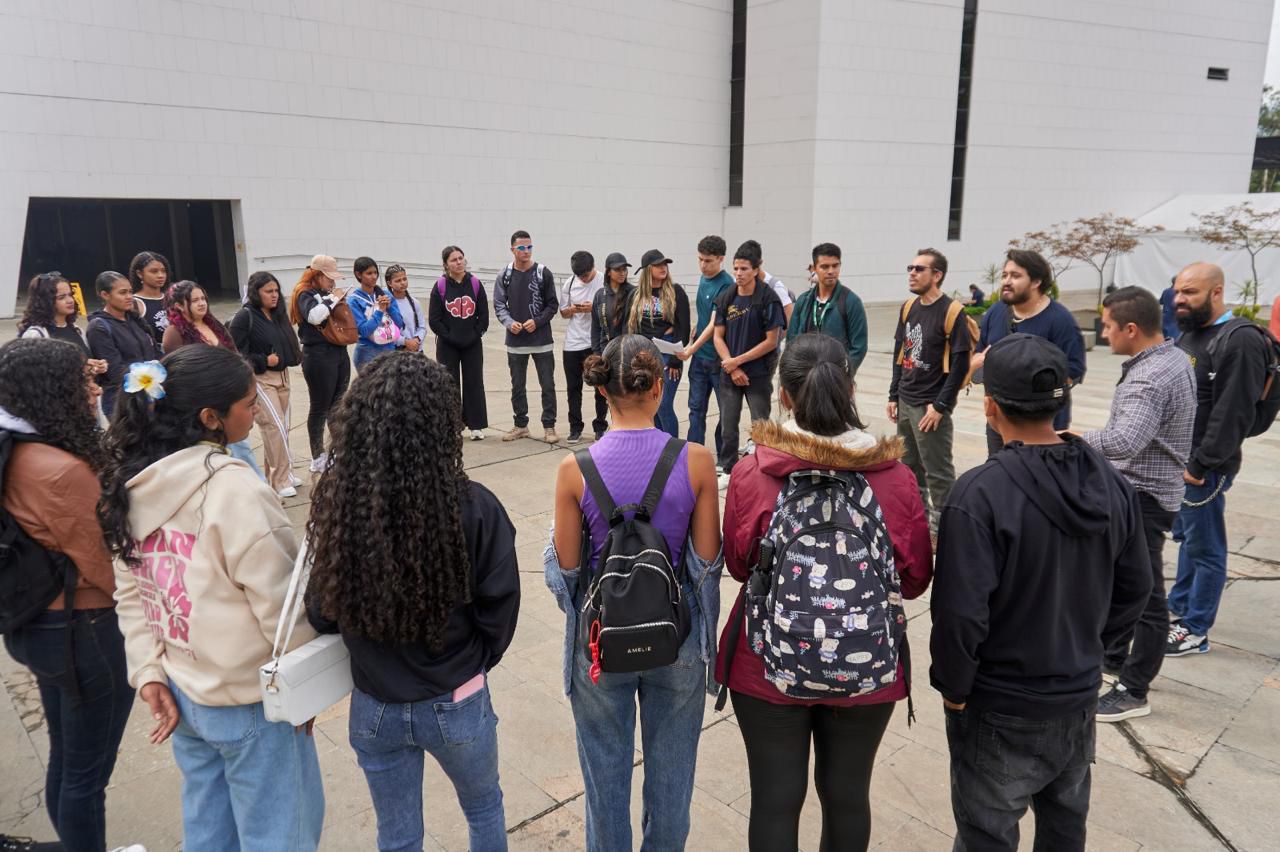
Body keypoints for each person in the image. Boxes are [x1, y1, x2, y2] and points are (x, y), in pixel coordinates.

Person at [930, 333, 1151, 852]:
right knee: (1064, 827)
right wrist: (1093, 651)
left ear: (990, 407)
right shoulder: (1112, 485)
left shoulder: (979, 494)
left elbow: (960, 614)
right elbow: (1137, 586)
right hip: (1076, 695)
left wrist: (954, 688)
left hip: (999, 701)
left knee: (987, 833)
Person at [100, 345, 325, 851]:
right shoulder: (235, 491)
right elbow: (282, 611)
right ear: (211, 418)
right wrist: (305, 689)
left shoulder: (131, 484)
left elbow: (132, 593)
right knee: (280, 835)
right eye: (248, 404)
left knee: (208, 831)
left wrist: (148, 672)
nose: (256, 411)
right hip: (250, 704)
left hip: (182, 692)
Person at [716, 332, 933, 851]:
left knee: (774, 799)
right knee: (848, 796)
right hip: (865, 668)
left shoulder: (754, 471)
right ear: (849, 388)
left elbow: (741, 566)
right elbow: (914, 579)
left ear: (784, 396)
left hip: (766, 664)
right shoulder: (896, 478)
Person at [306, 352, 520, 852]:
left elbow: (322, 612)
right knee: (484, 808)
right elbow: (500, 610)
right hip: (456, 696)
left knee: (398, 836)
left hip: (375, 704)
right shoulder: (476, 506)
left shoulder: (345, 506)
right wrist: (468, 663)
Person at [547, 335, 721, 851]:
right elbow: (706, 567)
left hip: (602, 640)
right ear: (660, 387)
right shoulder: (696, 461)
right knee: (672, 781)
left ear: (602, 392)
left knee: (604, 784)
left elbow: (567, 574)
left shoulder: (574, 469)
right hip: (676, 635)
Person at [0, 339, 135, 851]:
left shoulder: (17, 448)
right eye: (82, 381)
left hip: (39, 625)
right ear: (51, 390)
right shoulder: (58, 470)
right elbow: (106, 566)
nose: (94, 388)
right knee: (86, 776)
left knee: (66, 757)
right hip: (85, 632)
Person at [1075, 287, 1195, 721]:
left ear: (1131, 328)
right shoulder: (1172, 358)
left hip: (1144, 497)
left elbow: (1125, 441)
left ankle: (1134, 689)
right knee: (1123, 583)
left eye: (1108, 326)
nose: (1104, 333)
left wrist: (1072, 438)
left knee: (1146, 596)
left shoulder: (1150, 377)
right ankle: (1112, 657)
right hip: (1147, 491)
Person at [1166, 262, 1272, 657]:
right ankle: (1179, 604)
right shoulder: (1192, 333)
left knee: (1207, 550)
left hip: (1204, 468)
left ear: (1216, 292)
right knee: (1189, 540)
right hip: (1182, 462)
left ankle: (1196, 629)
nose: (1179, 300)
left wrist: (1201, 465)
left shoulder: (1239, 340)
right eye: (1178, 291)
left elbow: (1234, 412)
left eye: (1190, 292)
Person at [887, 248, 972, 531]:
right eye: (910, 268)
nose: (912, 273)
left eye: (919, 269)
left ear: (937, 275)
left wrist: (940, 406)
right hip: (905, 400)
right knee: (908, 467)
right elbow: (900, 353)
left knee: (937, 471)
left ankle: (948, 527)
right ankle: (919, 521)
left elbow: (960, 365)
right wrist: (893, 394)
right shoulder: (909, 307)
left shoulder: (952, 312)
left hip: (930, 406)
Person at [971, 249, 1086, 456]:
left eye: (1015, 276)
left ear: (1036, 282)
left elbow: (1073, 371)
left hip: (1042, 425)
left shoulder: (1061, 320)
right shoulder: (995, 312)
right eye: (1004, 275)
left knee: (1040, 474)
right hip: (999, 421)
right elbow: (980, 353)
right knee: (1001, 470)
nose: (1006, 281)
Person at [160, 280, 267, 483]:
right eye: (194, 300)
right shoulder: (174, 334)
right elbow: (181, 375)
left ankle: (257, 485)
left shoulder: (213, 324)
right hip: (207, 406)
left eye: (203, 298)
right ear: (179, 305)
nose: (201, 303)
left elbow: (235, 355)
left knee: (241, 449)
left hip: (232, 397)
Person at [230, 271, 305, 497]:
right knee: (274, 427)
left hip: (283, 376)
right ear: (256, 292)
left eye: (276, 291)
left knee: (281, 428)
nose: (274, 295)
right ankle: (279, 480)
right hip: (261, 378)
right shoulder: (244, 317)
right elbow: (236, 353)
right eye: (268, 291)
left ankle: (282, 474)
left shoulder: (277, 314)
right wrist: (263, 360)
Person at [713, 244, 784, 476]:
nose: (739, 273)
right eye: (736, 268)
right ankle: (727, 468)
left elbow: (771, 341)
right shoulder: (727, 297)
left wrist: (738, 361)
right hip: (730, 374)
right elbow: (717, 336)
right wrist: (731, 366)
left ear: (756, 269)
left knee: (761, 426)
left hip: (758, 374)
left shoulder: (768, 299)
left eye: (744, 269)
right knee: (728, 427)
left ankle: (763, 469)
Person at [494, 230, 560, 443]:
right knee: (517, 386)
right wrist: (509, 322)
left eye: (529, 247)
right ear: (512, 249)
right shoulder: (505, 275)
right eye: (521, 247)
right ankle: (520, 425)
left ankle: (549, 427)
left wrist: (537, 321)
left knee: (547, 385)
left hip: (542, 341)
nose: (526, 251)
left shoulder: (543, 273)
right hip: (516, 341)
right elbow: (499, 304)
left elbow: (552, 305)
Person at [289, 254, 351, 472]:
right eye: (329, 277)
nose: (332, 282)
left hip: (338, 351)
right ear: (316, 275)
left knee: (338, 405)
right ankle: (317, 456)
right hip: (317, 355)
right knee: (320, 407)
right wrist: (333, 299)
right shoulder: (304, 293)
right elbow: (314, 316)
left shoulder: (325, 292)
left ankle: (338, 451)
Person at [676, 235, 734, 456]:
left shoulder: (726, 284)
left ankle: (724, 457)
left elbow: (714, 323)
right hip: (700, 360)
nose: (703, 265)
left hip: (718, 360)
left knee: (726, 412)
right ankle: (694, 454)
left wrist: (691, 349)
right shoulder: (703, 278)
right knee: (696, 409)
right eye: (700, 259)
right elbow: (703, 314)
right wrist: (695, 328)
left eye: (708, 261)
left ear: (720, 259)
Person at [627, 249, 691, 438]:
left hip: (669, 351)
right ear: (648, 269)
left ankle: (672, 448)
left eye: (665, 264)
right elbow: (631, 328)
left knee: (663, 404)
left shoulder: (676, 291)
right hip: (644, 352)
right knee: (650, 405)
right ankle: (658, 445)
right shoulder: (636, 295)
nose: (663, 268)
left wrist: (675, 360)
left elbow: (683, 328)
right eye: (658, 265)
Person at [429, 245, 490, 440]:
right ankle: (452, 426)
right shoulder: (440, 286)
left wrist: (474, 334)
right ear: (446, 264)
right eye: (454, 260)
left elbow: (484, 316)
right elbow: (434, 319)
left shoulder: (475, 284)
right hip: (448, 345)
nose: (459, 262)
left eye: (461, 258)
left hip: (472, 343)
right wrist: (449, 336)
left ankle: (476, 426)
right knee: (449, 384)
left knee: (474, 383)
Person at [87, 271, 162, 417]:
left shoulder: (135, 320)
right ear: (105, 295)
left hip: (151, 394)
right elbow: (115, 371)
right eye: (122, 293)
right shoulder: (99, 327)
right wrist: (151, 374)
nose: (129, 297)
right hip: (123, 401)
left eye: (130, 292)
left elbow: (156, 353)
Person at [787, 243, 869, 376]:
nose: (831, 271)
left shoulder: (852, 302)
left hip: (835, 378)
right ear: (814, 268)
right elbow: (791, 341)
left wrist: (843, 376)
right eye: (825, 266)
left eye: (835, 266)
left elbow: (859, 347)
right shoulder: (803, 301)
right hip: (804, 377)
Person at [18, 271, 108, 379]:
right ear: (46, 302)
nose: (70, 300)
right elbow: (34, 375)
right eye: (61, 297)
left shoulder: (77, 330)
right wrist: (80, 366)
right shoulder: (36, 334)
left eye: (70, 295)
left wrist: (94, 368)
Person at [559, 251, 607, 444]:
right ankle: (575, 427)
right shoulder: (569, 283)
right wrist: (571, 309)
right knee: (573, 388)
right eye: (580, 276)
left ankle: (600, 426)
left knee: (600, 387)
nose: (583, 279)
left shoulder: (604, 281)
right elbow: (563, 313)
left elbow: (611, 308)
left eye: (586, 275)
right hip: (573, 342)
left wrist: (593, 308)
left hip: (595, 342)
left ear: (593, 267)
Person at [347, 256, 405, 372]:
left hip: (389, 351)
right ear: (358, 275)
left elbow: (400, 324)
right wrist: (380, 311)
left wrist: (390, 308)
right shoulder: (354, 300)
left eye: (375, 272)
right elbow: (364, 331)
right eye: (369, 273)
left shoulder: (385, 294)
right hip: (367, 354)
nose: (374, 277)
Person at [740, 239, 794, 326]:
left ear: (760, 263)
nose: (741, 273)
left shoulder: (775, 286)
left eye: (745, 268)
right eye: (740, 268)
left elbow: (789, 319)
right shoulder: (737, 283)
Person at [590, 252, 633, 357]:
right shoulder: (600, 295)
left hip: (629, 351)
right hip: (606, 350)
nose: (622, 273)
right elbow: (596, 327)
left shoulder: (633, 292)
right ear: (608, 272)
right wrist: (596, 352)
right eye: (617, 269)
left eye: (624, 269)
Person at [128, 250, 172, 346]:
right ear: (139, 274)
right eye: (154, 271)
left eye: (163, 271)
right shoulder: (134, 303)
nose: (160, 275)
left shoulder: (172, 297)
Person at [385, 264, 427, 354]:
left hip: (416, 351)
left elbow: (422, 327)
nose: (403, 283)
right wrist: (405, 342)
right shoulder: (387, 304)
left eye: (404, 279)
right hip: (396, 352)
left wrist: (416, 340)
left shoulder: (415, 302)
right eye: (398, 280)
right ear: (389, 283)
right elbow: (386, 330)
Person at [1160, 276, 1179, 341]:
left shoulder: (1166, 291)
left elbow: (1161, 301)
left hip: (1165, 318)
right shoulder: (1178, 293)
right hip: (1174, 319)